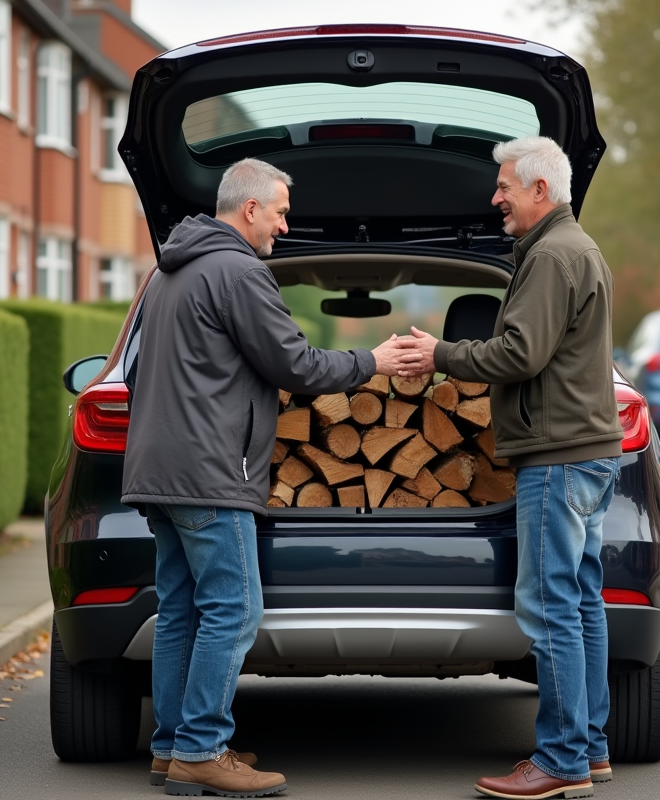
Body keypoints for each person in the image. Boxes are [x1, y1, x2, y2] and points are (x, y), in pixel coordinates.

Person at [121, 158, 421, 797]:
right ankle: (203, 749)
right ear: (250, 207)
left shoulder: (165, 274)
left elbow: (136, 373)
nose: (286, 226)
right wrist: (374, 359)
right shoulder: (238, 271)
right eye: (281, 212)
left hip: (157, 470)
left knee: (180, 610)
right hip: (210, 473)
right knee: (233, 609)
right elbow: (296, 364)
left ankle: (174, 747)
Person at [398, 136, 623, 800]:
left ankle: (559, 761)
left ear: (540, 191)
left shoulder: (553, 255)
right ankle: (590, 746)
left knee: (551, 607)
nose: (494, 196)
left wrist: (440, 353)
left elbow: (520, 353)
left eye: (504, 186)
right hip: (587, 454)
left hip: (557, 459)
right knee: (581, 603)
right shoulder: (572, 248)